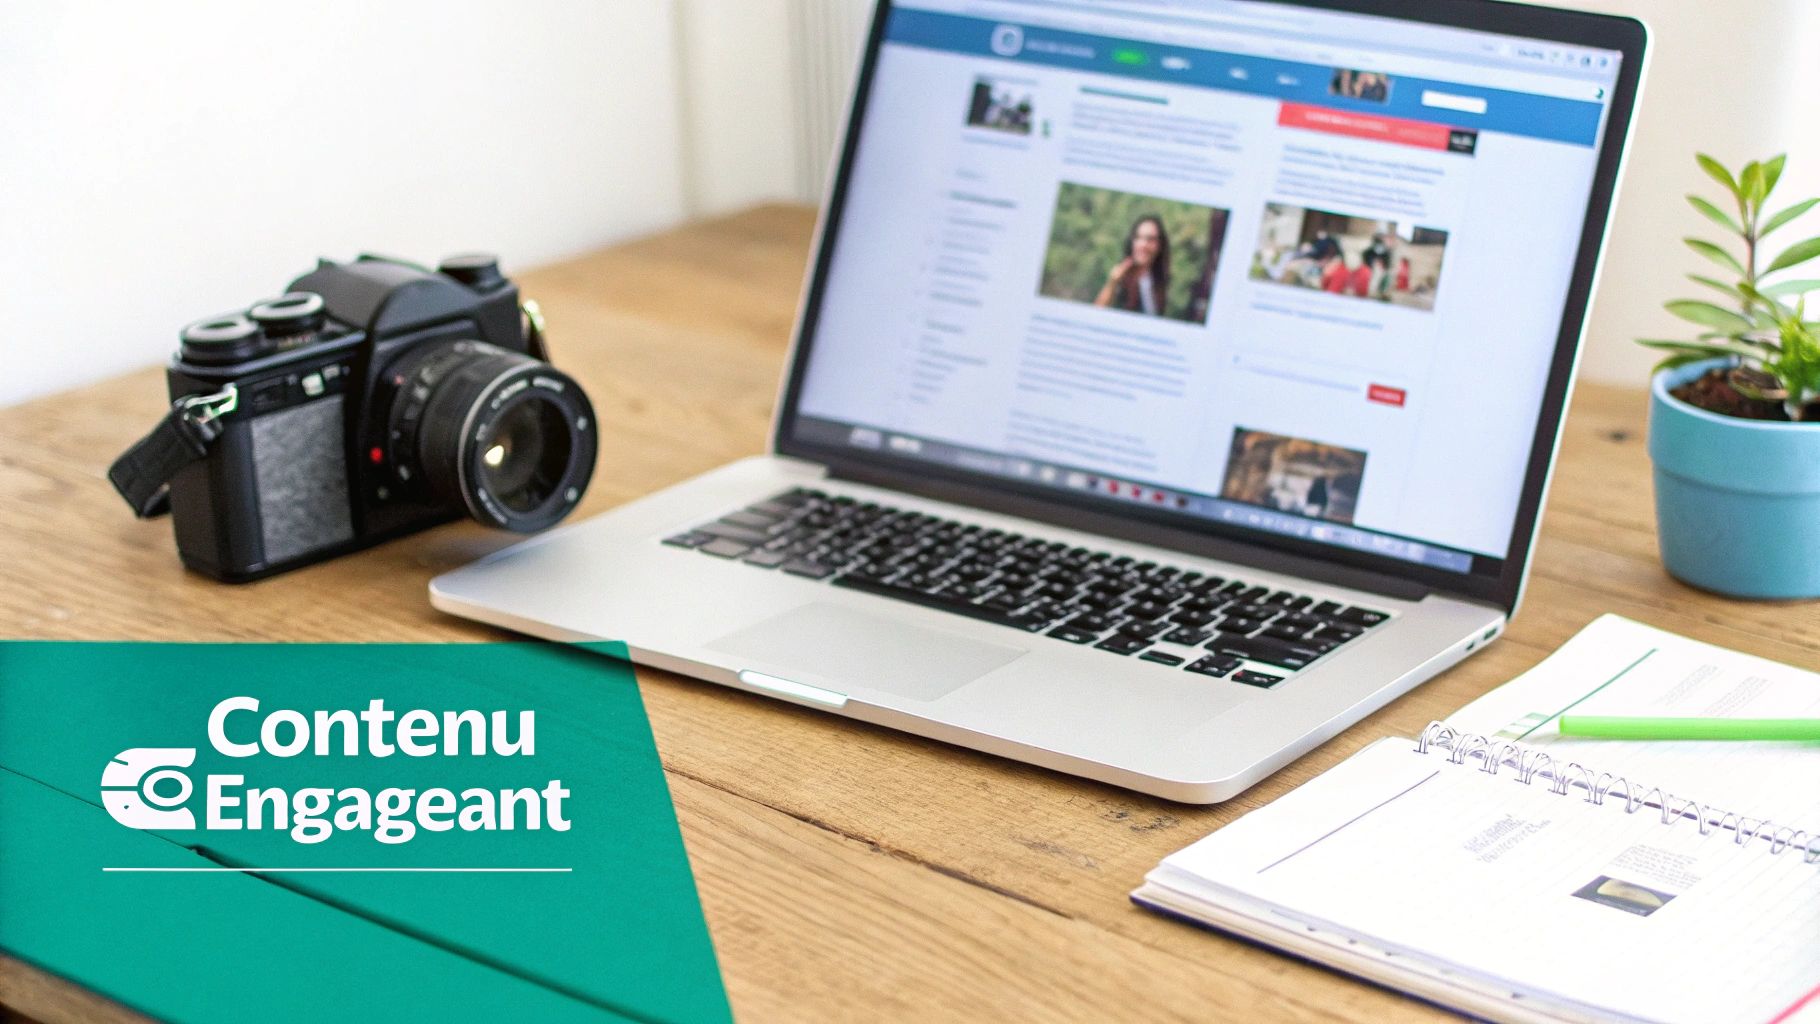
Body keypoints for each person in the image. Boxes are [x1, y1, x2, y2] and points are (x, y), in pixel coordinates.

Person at [1095, 215, 1172, 316]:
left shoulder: (1158, 281)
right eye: (1138, 237)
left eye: (1150, 239)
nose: (1143, 245)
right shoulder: (1121, 276)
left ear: (1160, 245)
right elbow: (1096, 312)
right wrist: (1112, 283)